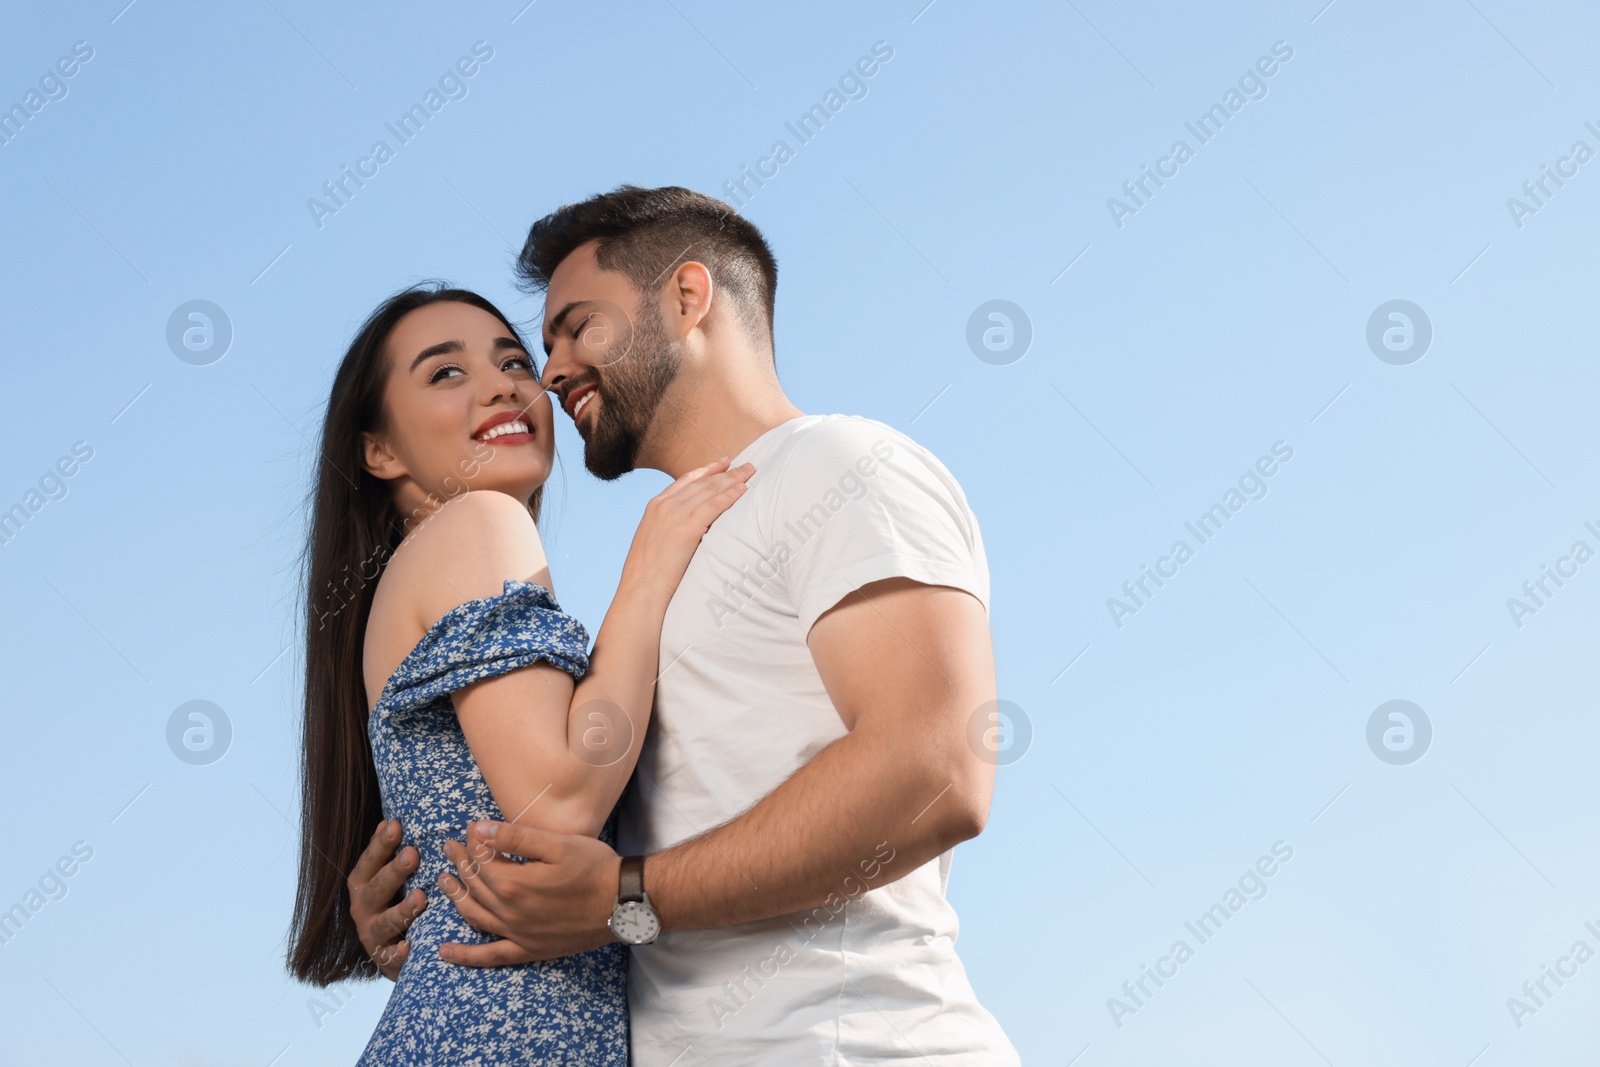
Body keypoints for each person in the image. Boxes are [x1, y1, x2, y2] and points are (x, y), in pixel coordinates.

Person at [352, 186, 1022, 1064]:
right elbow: (582, 817)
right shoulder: (665, 558)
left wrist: (627, 894)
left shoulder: (840, 465)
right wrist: (426, 892)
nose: (549, 372)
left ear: (687, 298)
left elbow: (937, 768)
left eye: (574, 328)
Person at [285, 283, 754, 1064]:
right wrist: (648, 568)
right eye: (445, 373)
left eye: (513, 360)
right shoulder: (476, 521)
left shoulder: (422, 576)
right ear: (380, 450)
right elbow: (558, 805)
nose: (505, 382)